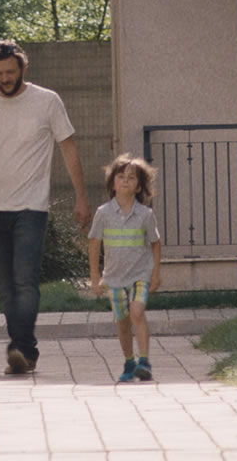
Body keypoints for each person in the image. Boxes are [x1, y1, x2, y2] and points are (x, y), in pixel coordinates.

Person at [0, 39, 90, 375]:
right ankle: (23, 350)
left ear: (23, 68)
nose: (5, 78)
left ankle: (20, 348)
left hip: (31, 206)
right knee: (5, 287)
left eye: (10, 72)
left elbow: (68, 148)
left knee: (24, 280)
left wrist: (81, 195)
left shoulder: (47, 101)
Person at [88, 153, 161, 382]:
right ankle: (129, 361)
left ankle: (145, 361)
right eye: (120, 177)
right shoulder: (103, 214)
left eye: (131, 178)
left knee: (137, 311)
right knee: (122, 321)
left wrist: (156, 273)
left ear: (139, 186)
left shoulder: (145, 215)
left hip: (140, 273)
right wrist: (94, 276)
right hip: (114, 277)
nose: (125, 181)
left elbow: (155, 243)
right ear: (112, 183)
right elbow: (94, 244)